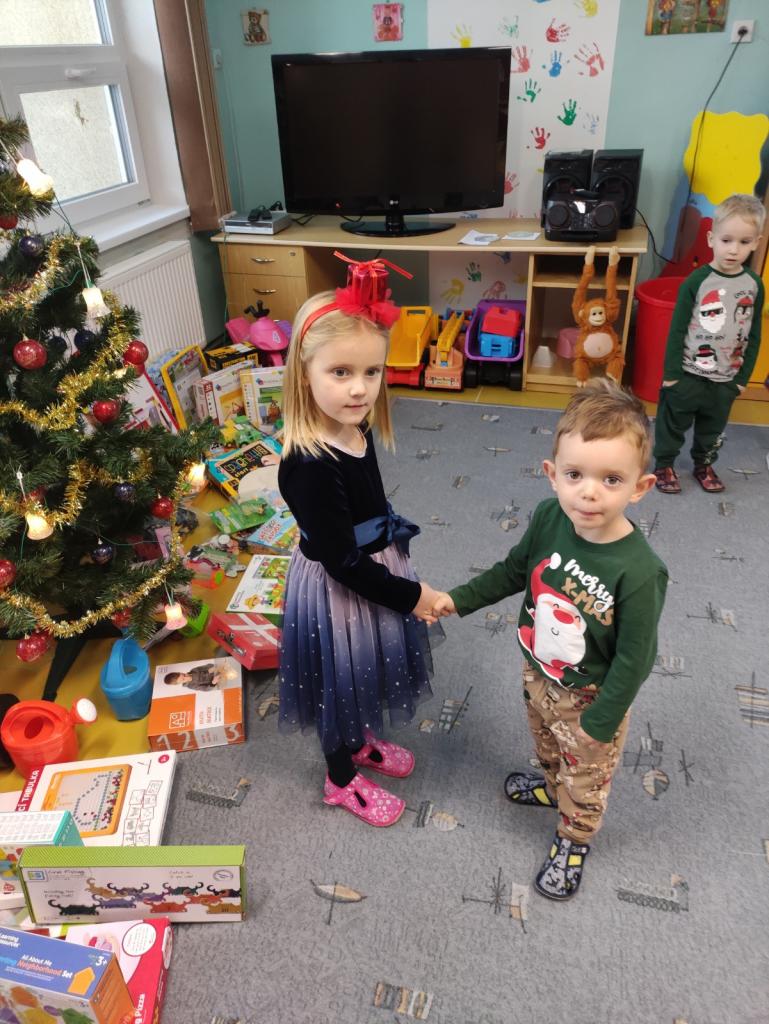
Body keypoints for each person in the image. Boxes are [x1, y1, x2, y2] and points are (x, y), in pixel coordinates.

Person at [431, 380, 668, 900]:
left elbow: (636, 658)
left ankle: (573, 839)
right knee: (547, 745)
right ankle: (549, 785)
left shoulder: (640, 572)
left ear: (640, 487)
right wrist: (458, 599)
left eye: (611, 479)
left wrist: (601, 722)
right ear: (552, 474)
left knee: (586, 778)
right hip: (538, 672)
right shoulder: (548, 518)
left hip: (592, 699)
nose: (589, 492)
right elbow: (513, 570)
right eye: (575, 474)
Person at [277, 254, 442, 828]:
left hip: (370, 565)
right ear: (304, 373)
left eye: (372, 372)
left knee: (364, 665)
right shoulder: (308, 465)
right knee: (336, 678)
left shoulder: (355, 426)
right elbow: (342, 562)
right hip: (338, 584)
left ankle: (358, 739)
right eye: (341, 372)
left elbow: (367, 503)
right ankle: (340, 777)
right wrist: (411, 594)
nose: (360, 388)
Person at [653, 193, 765, 494]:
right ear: (711, 238)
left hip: (726, 379)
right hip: (688, 374)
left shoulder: (754, 285)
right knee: (673, 423)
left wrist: (742, 379)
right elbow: (677, 330)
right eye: (726, 240)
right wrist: (672, 375)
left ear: (756, 243)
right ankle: (664, 464)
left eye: (744, 242)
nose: (734, 250)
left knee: (712, 428)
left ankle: (703, 464)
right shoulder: (696, 281)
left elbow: (754, 334)